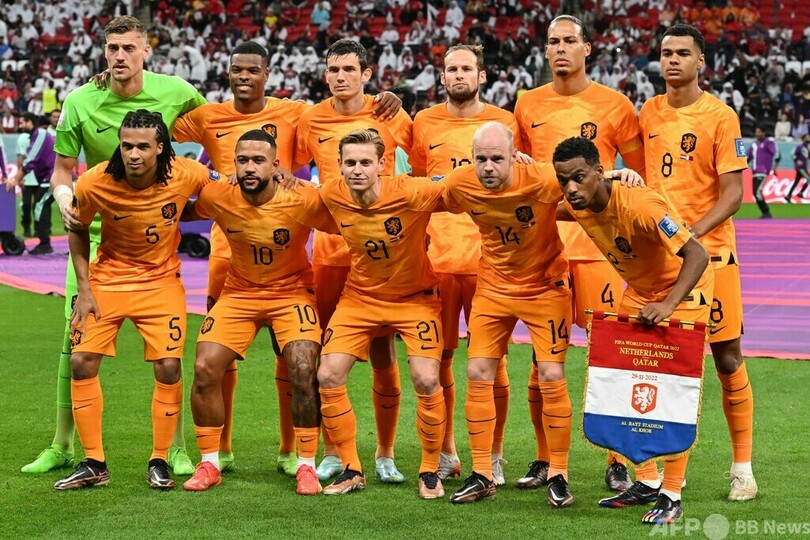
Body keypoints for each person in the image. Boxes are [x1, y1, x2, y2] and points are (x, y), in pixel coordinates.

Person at [173, 40, 403, 476]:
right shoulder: (207, 116)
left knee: (303, 356)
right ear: (227, 72)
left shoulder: (298, 113)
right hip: (228, 254)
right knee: (218, 359)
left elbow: (354, 116)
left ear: (267, 74)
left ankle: (295, 451)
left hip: (306, 257)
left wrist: (386, 98)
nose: (244, 77)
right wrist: (129, 84)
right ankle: (221, 450)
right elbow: (156, 125)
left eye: (252, 70)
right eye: (237, 69)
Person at [27, 15, 206, 476]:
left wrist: (185, 202)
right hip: (91, 237)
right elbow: (63, 169)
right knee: (74, 343)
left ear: (147, 50)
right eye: (113, 48)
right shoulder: (80, 100)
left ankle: (175, 450)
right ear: (103, 51)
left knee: (168, 357)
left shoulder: (177, 92)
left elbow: (214, 132)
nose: (120, 56)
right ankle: (62, 445)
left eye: (129, 47)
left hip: (152, 240)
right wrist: (65, 200)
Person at [513, 14, 646, 492]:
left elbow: (640, 174)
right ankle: (545, 458)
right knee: (541, 363)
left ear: (587, 48)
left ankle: (617, 459)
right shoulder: (527, 103)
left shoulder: (616, 105)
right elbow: (522, 172)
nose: (561, 49)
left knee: (608, 358)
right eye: (554, 42)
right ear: (546, 50)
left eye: (570, 41)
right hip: (543, 250)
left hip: (598, 251)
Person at [552, 136, 713, 524]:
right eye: (563, 181)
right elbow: (535, 198)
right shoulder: (577, 203)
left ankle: (671, 494)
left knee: (671, 392)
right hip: (639, 293)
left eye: (578, 178)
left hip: (681, 292)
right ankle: (647, 481)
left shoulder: (641, 205)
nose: (570, 188)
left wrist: (668, 305)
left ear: (598, 172)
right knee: (627, 386)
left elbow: (698, 254)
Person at [54, 110, 219, 491]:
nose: (133, 154)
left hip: (161, 283)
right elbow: (77, 228)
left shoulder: (186, 172)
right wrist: (84, 289)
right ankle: (94, 463)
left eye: (143, 147)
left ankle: (159, 459)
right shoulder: (95, 181)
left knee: (168, 366)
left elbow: (224, 188)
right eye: (127, 146)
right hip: (107, 279)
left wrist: (193, 208)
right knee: (80, 361)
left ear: (160, 148)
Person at [181, 130, 338, 495]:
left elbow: (347, 217)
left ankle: (306, 465)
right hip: (239, 293)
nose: (249, 168)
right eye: (243, 160)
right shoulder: (218, 195)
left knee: (302, 366)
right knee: (204, 367)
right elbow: (179, 209)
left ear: (275, 165)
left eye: (258, 160)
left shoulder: (302, 197)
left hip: (291, 292)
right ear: (233, 165)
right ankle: (210, 462)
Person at [639, 23, 756, 503]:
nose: (672, 60)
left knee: (726, 358)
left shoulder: (722, 117)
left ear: (700, 61)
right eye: (666, 52)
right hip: (660, 261)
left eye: (682, 53)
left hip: (713, 255)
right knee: (662, 364)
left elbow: (734, 194)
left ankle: (742, 468)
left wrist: (691, 234)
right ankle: (663, 470)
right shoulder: (648, 111)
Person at [295, 38, 413, 484]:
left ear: (366, 74)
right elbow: (288, 165)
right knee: (328, 354)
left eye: (349, 69)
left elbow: (423, 166)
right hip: (331, 254)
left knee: (383, 353)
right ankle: (332, 451)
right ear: (325, 75)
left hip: (385, 256)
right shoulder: (310, 118)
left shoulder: (391, 113)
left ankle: (385, 453)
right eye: (333, 69)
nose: (340, 76)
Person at [443, 122, 574, 507]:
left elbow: (590, 183)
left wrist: (622, 175)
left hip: (545, 287)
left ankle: (559, 473)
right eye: (481, 159)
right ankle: (483, 473)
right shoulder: (461, 183)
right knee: (477, 371)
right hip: (493, 288)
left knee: (551, 374)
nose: (488, 167)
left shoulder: (543, 178)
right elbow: (419, 194)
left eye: (497, 159)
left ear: (514, 156)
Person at [409, 43, 521, 484]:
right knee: (439, 360)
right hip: (437, 260)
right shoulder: (424, 122)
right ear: (442, 77)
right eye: (451, 69)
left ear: (482, 75)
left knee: (493, 363)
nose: (459, 75)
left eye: (466, 68)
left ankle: (494, 453)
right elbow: (421, 185)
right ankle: (448, 451)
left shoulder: (504, 121)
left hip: (489, 261)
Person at [316, 128, 447, 499]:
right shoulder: (331, 194)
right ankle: (352, 468)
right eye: (350, 163)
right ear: (339, 165)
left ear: (381, 164)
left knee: (426, 379)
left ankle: (429, 470)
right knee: (327, 374)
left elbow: (458, 181)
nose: (357, 170)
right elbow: (292, 194)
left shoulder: (411, 191)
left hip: (415, 299)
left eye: (365, 162)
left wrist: (516, 164)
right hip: (359, 298)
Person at [10, 112, 56, 254]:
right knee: (41, 206)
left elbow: (31, 160)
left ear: (30, 122)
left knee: (39, 206)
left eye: (22, 122)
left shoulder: (40, 134)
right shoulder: (36, 135)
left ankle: (45, 243)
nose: (20, 126)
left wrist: (16, 179)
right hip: (48, 178)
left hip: (51, 177)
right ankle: (45, 242)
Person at [747, 127, 780, 218]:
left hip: (763, 171)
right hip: (755, 172)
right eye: (756, 132)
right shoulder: (754, 144)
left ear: (764, 133)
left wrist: (775, 167)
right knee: (755, 192)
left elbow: (777, 154)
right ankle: (766, 213)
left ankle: (766, 212)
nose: (757, 134)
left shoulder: (768, 142)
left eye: (759, 132)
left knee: (757, 192)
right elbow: (747, 157)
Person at [785, 133, 810, 201]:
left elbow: (807, 157)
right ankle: (800, 193)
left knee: (796, 182)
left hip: (804, 167)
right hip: (800, 167)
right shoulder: (800, 146)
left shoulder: (807, 147)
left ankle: (788, 196)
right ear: (804, 139)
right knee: (808, 179)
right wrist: (796, 160)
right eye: (807, 137)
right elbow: (792, 154)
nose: (809, 138)